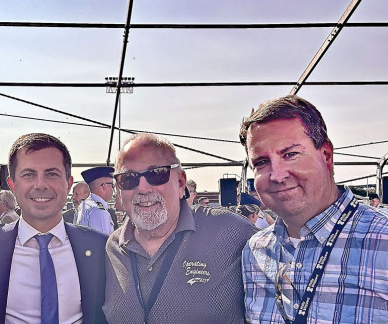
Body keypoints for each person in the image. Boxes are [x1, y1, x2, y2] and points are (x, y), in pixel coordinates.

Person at [239, 95, 388, 323]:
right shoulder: (256, 251)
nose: (277, 175)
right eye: (261, 162)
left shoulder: (382, 240)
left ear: (326, 156)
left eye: (290, 154)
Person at [0, 133, 108, 324]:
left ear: (68, 184)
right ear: (12, 185)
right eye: (29, 174)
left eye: (52, 174)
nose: (40, 184)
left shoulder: (101, 248)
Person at [104, 133, 255, 323]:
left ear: (181, 182)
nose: (142, 188)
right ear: (118, 189)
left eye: (156, 174)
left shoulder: (231, 231)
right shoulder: (113, 248)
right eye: (128, 178)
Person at [75, 166, 116, 234]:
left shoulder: (84, 205)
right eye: (112, 185)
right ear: (104, 186)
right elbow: (102, 242)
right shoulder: (99, 211)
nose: (113, 189)